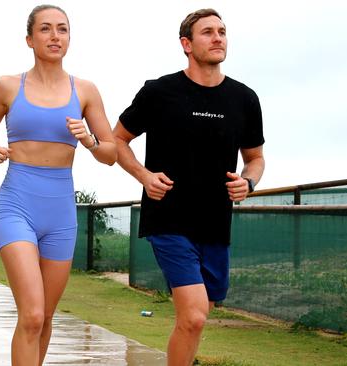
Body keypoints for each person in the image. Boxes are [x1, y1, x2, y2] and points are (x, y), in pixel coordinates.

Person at [113, 8, 265, 365]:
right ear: (186, 43)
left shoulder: (244, 98)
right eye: (208, 32)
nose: (218, 38)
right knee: (195, 315)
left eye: (222, 32)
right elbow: (118, 140)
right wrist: (145, 177)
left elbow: (255, 158)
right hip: (167, 218)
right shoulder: (159, 92)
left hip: (215, 224)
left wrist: (249, 182)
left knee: (196, 316)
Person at [0, 5, 116, 365]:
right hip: (16, 204)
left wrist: (90, 141)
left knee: (46, 317)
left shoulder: (85, 91)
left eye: (63, 29)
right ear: (29, 38)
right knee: (33, 314)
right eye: (46, 29)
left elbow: (111, 152)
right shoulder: (8, 85)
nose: (55, 36)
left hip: (61, 212)